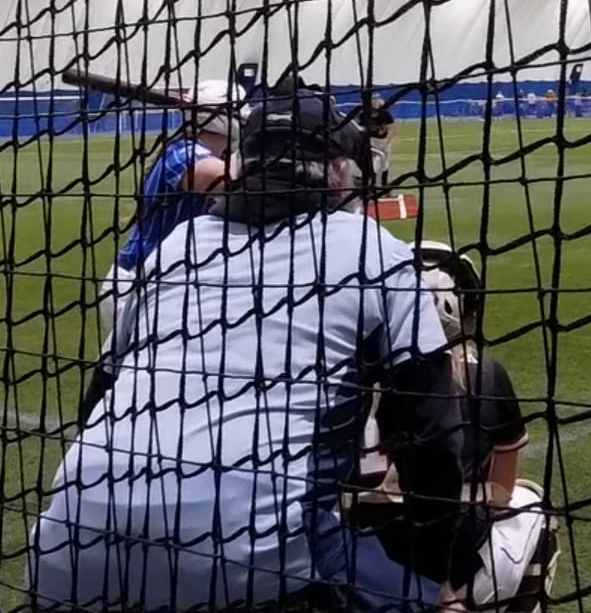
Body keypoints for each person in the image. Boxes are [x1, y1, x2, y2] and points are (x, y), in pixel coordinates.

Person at [31, 88, 485, 612]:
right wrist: (435, 580)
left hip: (67, 554)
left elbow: (98, 399)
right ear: (341, 173)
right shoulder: (375, 252)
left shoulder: (177, 246)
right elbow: (432, 438)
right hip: (251, 568)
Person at [345, 243, 557, 611]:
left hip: (347, 566)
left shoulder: (339, 378)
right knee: (533, 505)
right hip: (441, 570)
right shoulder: (485, 375)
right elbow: (502, 491)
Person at [82, 79, 240, 424]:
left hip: (166, 286)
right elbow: (231, 182)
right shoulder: (185, 154)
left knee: (139, 379)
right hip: (138, 285)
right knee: (138, 382)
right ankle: (94, 436)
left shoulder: (209, 154)